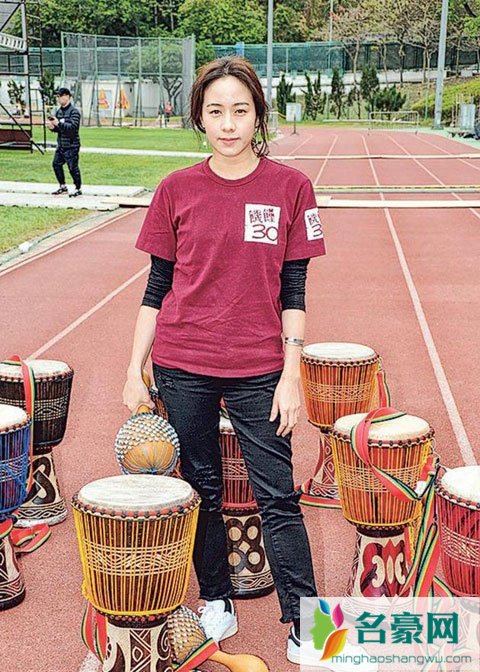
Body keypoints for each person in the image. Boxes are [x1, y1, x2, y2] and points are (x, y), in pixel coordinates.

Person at [123, 56, 326, 665]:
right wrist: (134, 368)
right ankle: (215, 597)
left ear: (258, 115)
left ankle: (306, 621)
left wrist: (292, 372)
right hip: (182, 362)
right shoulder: (176, 190)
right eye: (216, 111)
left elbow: (295, 291)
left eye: (241, 110)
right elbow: (157, 286)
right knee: (201, 488)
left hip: (261, 366)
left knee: (277, 497)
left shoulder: (290, 187)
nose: (229, 123)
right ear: (198, 119)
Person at [47, 87, 82, 197]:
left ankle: (77, 187)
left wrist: (58, 124)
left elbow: (73, 127)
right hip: (61, 145)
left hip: (72, 145)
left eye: (60, 96)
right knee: (56, 164)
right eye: (57, 96)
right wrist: (52, 127)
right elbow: (59, 129)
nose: (58, 99)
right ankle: (62, 186)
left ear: (67, 96)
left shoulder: (74, 112)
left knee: (73, 167)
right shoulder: (58, 112)